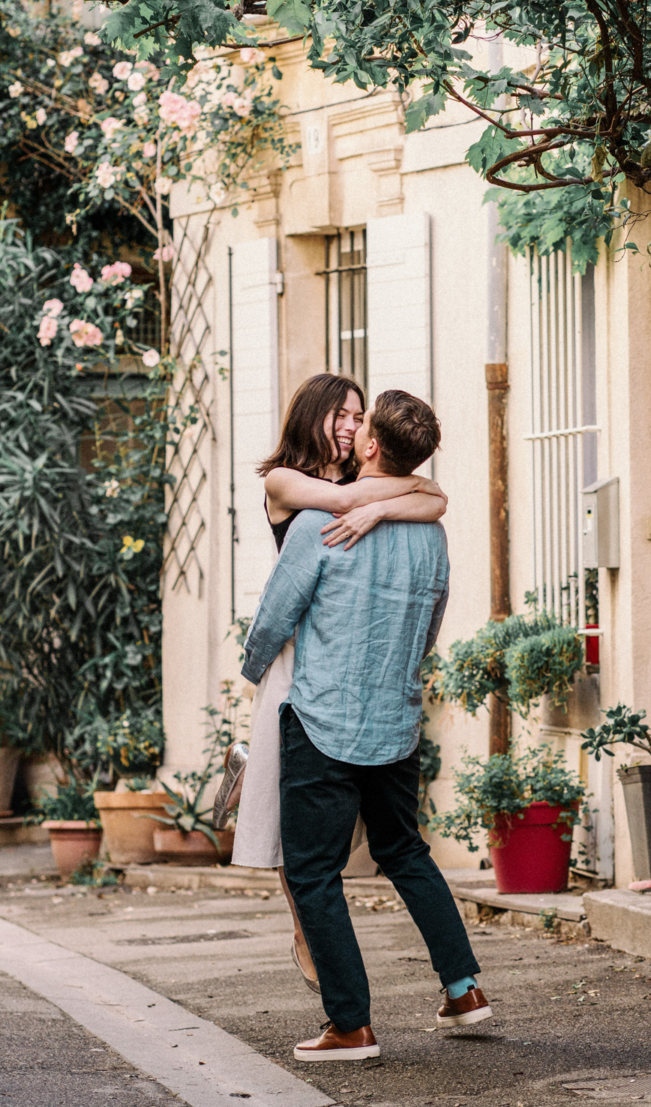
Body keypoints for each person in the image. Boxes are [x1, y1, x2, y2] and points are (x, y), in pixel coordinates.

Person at [241, 389, 491, 1063]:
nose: (351, 430)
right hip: (395, 718)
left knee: (314, 872)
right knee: (404, 850)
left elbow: (273, 619)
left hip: (320, 715)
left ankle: (349, 1024)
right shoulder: (430, 531)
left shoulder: (317, 524)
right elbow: (432, 621)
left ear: (373, 445)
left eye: (361, 423)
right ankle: (464, 988)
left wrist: (253, 677)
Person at [217, 373, 447, 991]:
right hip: (295, 654)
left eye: (357, 417)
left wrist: (376, 504)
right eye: (340, 416)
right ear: (312, 416)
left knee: (317, 823)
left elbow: (436, 499)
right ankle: (305, 930)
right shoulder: (284, 481)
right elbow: (409, 496)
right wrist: (376, 503)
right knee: (279, 812)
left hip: (338, 655)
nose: (349, 427)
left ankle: (317, 934)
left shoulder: (355, 486)